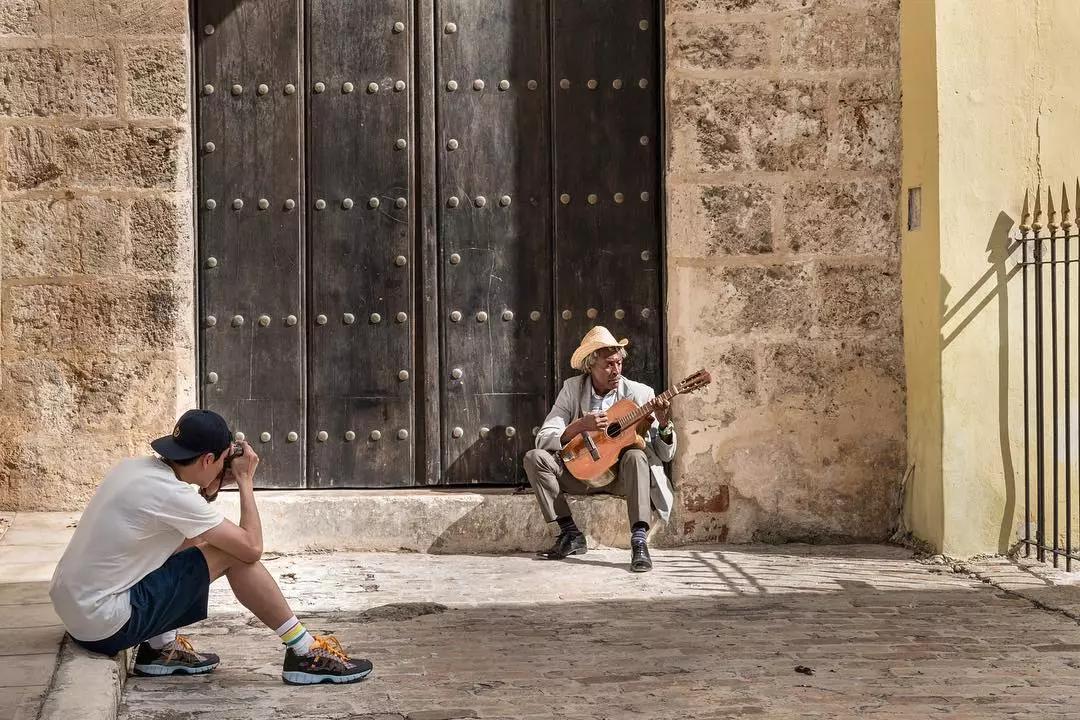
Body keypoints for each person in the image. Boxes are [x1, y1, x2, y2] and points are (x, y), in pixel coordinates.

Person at [49, 409, 372, 685]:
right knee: (230, 553)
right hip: (105, 626)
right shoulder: (172, 495)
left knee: (205, 544)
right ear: (208, 459)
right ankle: (304, 652)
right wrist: (246, 481)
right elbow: (250, 549)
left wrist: (211, 485)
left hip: (79, 614)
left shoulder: (135, 468)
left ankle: (160, 649)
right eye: (220, 462)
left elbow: (184, 541)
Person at [524, 326, 677, 572]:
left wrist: (663, 423)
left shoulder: (640, 394)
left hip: (620, 479)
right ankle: (570, 534)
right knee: (535, 458)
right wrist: (578, 426)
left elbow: (666, 454)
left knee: (637, 455)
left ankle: (639, 541)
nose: (616, 370)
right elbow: (543, 438)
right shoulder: (572, 389)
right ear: (590, 366)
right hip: (580, 473)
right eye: (608, 364)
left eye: (618, 363)